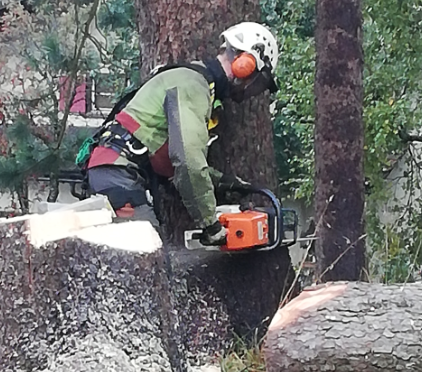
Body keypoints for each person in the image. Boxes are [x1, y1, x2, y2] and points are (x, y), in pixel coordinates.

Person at [85, 21, 279, 245]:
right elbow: (187, 160)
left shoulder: (192, 82)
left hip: (117, 172)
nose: (251, 90)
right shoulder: (193, 85)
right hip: (118, 175)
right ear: (245, 63)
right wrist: (210, 224)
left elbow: (170, 160)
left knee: (147, 257)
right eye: (257, 81)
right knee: (148, 256)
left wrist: (223, 183)